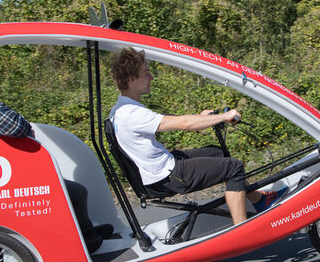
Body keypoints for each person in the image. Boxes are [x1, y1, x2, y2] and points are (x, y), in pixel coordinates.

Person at [109, 48, 286, 225]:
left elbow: (173, 120)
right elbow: (184, 124)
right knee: (234, 167)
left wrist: (202, 117)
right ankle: (243, 231)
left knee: (217, 153)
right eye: (146, 74)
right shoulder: (131, 114)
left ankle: (259, 200)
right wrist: (224, 116)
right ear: (131, 79)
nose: (151, 78)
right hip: (167, 176)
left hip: (159, 169)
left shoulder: (120, 109)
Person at [0, 49, 112, 253]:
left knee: (72, 190)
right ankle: (86, 241)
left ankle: (85, 233)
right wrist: (25, 126)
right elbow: (11, 124)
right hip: (2, 175)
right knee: (74, 192)